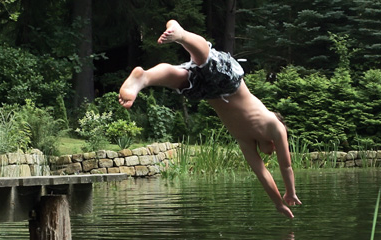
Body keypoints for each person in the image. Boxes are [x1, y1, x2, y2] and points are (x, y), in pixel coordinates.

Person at [118, 20, 302, 218]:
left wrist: (278, 204)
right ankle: (182, 35)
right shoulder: (274, 126)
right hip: (230, 82)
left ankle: (144, 78)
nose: (272, 152)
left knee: (183, 79)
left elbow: (262, 174)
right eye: (274, 149)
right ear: (274, 143)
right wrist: (290, 192)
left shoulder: (245, 139)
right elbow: (286, 165)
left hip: (209, 93)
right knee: (205, 59)